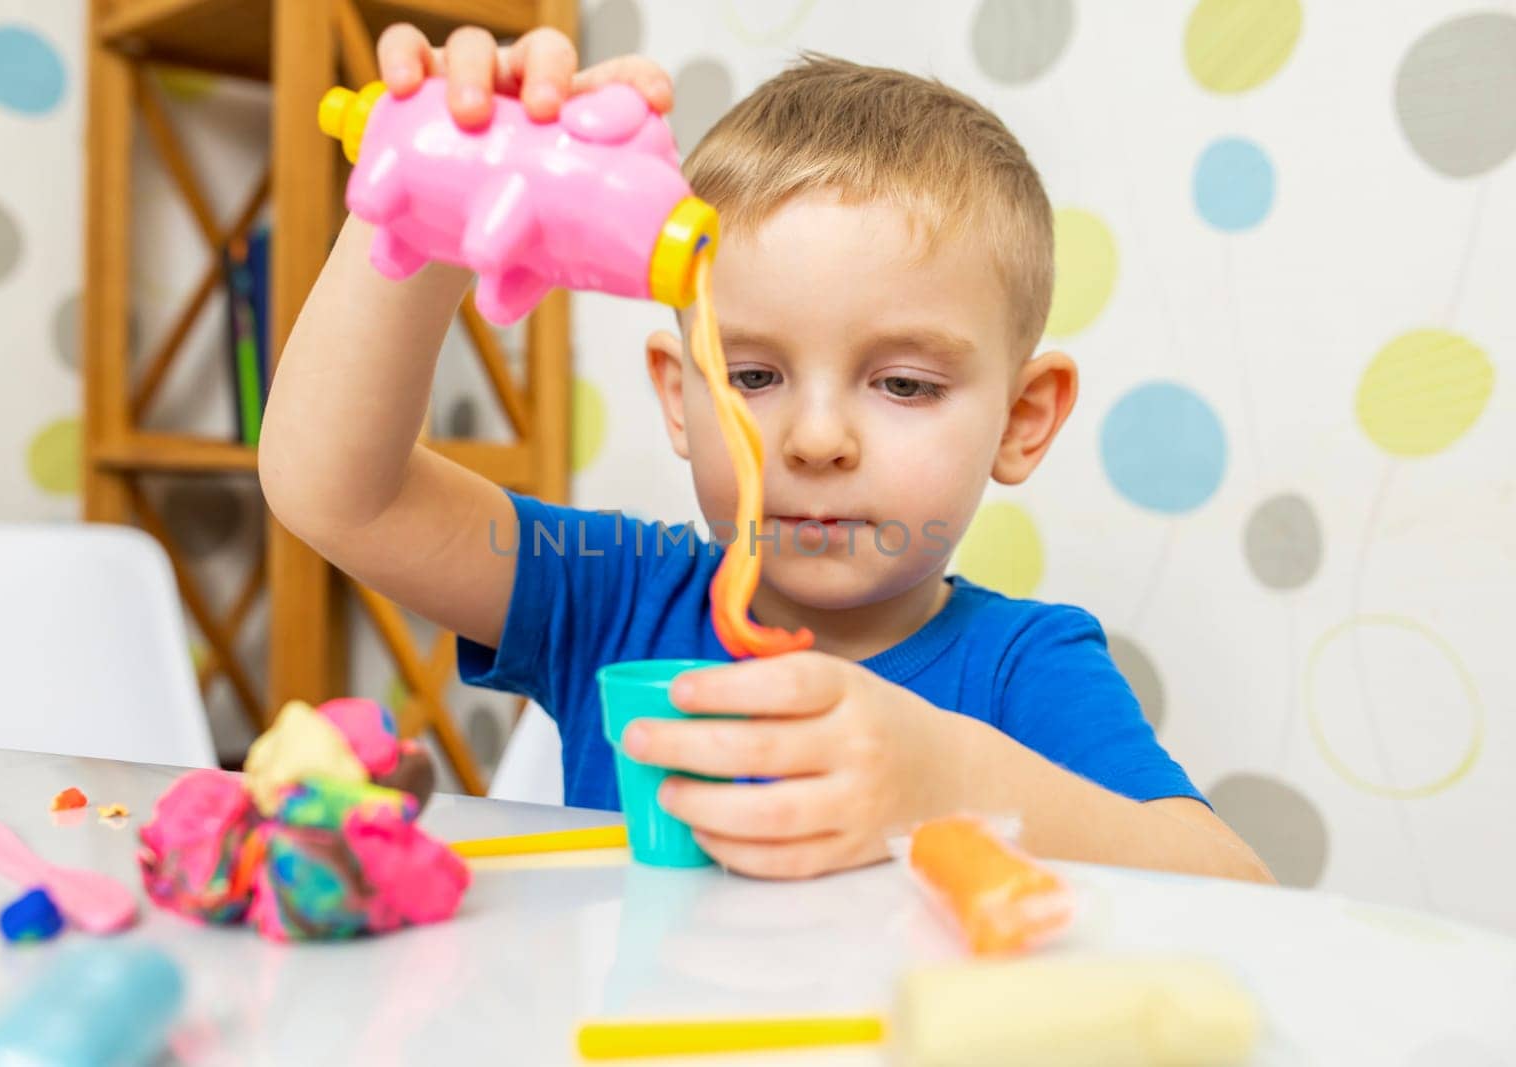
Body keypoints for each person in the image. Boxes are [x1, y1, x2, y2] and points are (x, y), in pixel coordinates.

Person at [260, 23, 1273, 884]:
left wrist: (954, 783)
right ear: (678, 395)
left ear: (1022, 419)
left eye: (904, 384)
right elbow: (339, 491)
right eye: (751, 377)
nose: (815, 439)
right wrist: (437, 196)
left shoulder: (1022, 670)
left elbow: (1238, 888)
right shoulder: (614, 593)